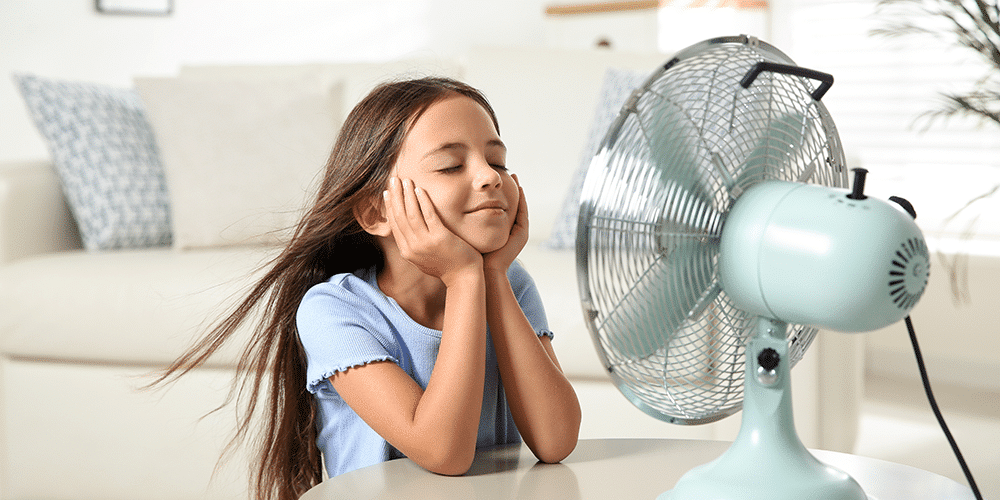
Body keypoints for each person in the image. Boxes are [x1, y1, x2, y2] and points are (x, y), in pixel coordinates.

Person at [153, 76, 582, 500]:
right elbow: (443, 451)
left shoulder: (509, 282)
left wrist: (491, 277)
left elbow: (555, 440)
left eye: (498, 161)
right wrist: (466, 278)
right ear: (377, 211)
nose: (490, 177)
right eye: (452, 165)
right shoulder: (334, 310)